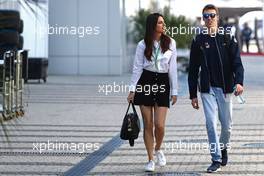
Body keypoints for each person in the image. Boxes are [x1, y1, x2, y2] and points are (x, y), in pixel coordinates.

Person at [188, 4, 244, 173]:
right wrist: (193, 95)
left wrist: (239, 82)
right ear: (202, 19)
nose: (209, 19)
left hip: (226, 87)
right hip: (207, 88)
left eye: (212, 15)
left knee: (226, 126)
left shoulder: (227, 37)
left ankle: (223, 147)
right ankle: (216, 158)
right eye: (206, 16)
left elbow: (237, 62)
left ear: (217, 17)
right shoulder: (198, 40)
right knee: (211, 124)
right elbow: (193, 69)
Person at [127, 13, 178, 172]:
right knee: (148, 125)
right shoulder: (142, 44)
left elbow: (173, 68)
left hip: (163, 83)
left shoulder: (171, 43)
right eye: (160, 23)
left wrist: (174, 90)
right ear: (153, 25)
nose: (163, 25)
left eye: (164, 22)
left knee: (159, 125)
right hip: (145, 82)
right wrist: (132, 90)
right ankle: (150, 159)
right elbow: (137, 68)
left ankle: (158, 149)